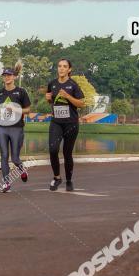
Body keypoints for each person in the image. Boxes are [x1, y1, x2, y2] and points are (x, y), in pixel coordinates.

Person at [45, 59, 86, 191]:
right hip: (56, 122)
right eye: (59, 66)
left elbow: (81, 103)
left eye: (64, 66)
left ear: (69, 69)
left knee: (67, 153)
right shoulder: (52, 84)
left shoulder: (73, 85)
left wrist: (68, 96)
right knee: (53, 149)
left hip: (71, 124)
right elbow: (52, 102)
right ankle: (57, 178)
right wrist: (48, 99)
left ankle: (68, 180)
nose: (61, 69)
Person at [0, 60, 31, 192]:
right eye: (5, 75)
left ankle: (22, 169)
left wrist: (15, 109)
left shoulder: (21, 92)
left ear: (14, 77)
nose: (7, 77)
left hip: (16, 128)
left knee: (15, 158)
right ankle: (6, 183)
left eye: (9, 75)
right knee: (4, 155)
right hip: (2, 127)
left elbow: (28, 110)